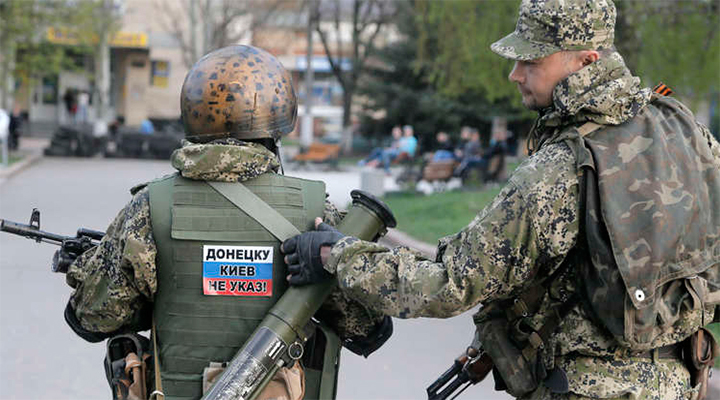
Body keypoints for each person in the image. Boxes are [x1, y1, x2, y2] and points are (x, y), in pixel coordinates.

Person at [281, 1, 720, 399]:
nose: (515, 75)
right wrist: (492, 342)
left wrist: (335, 256)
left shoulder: (559, 171)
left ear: (586, 61)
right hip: (680, 383)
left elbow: (447, 283)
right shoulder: (683, 130)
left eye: (531, 61)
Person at [62, 45, 391, 400]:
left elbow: (91, 318)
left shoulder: (148, 208)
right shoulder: (316, 212)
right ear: (278, 119)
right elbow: (369, 328)